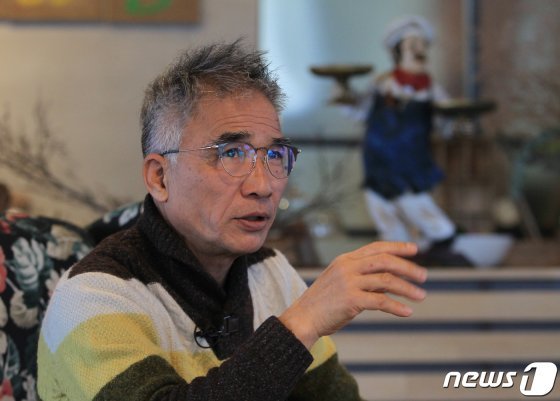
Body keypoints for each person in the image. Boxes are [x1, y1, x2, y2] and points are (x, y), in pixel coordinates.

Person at [37, 41, 427, 401]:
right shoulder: (93, 295)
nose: (263, 186)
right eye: (231, 154)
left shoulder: (269, 272)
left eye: (274, 156)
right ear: (159, 177)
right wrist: (301, 323)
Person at [346, 16, 462, 263]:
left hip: (411, 159)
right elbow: (359, 112)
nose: (419, 51)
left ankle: (442, 236)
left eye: (422, 45)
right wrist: (344, 95)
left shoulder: (430, 88)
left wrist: (452, 121)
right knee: (381, 206)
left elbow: (444, 119)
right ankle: (398, 250)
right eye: (412, 45)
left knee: (413, 201)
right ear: (398, 51)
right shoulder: (382, 84)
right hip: (378, 158)